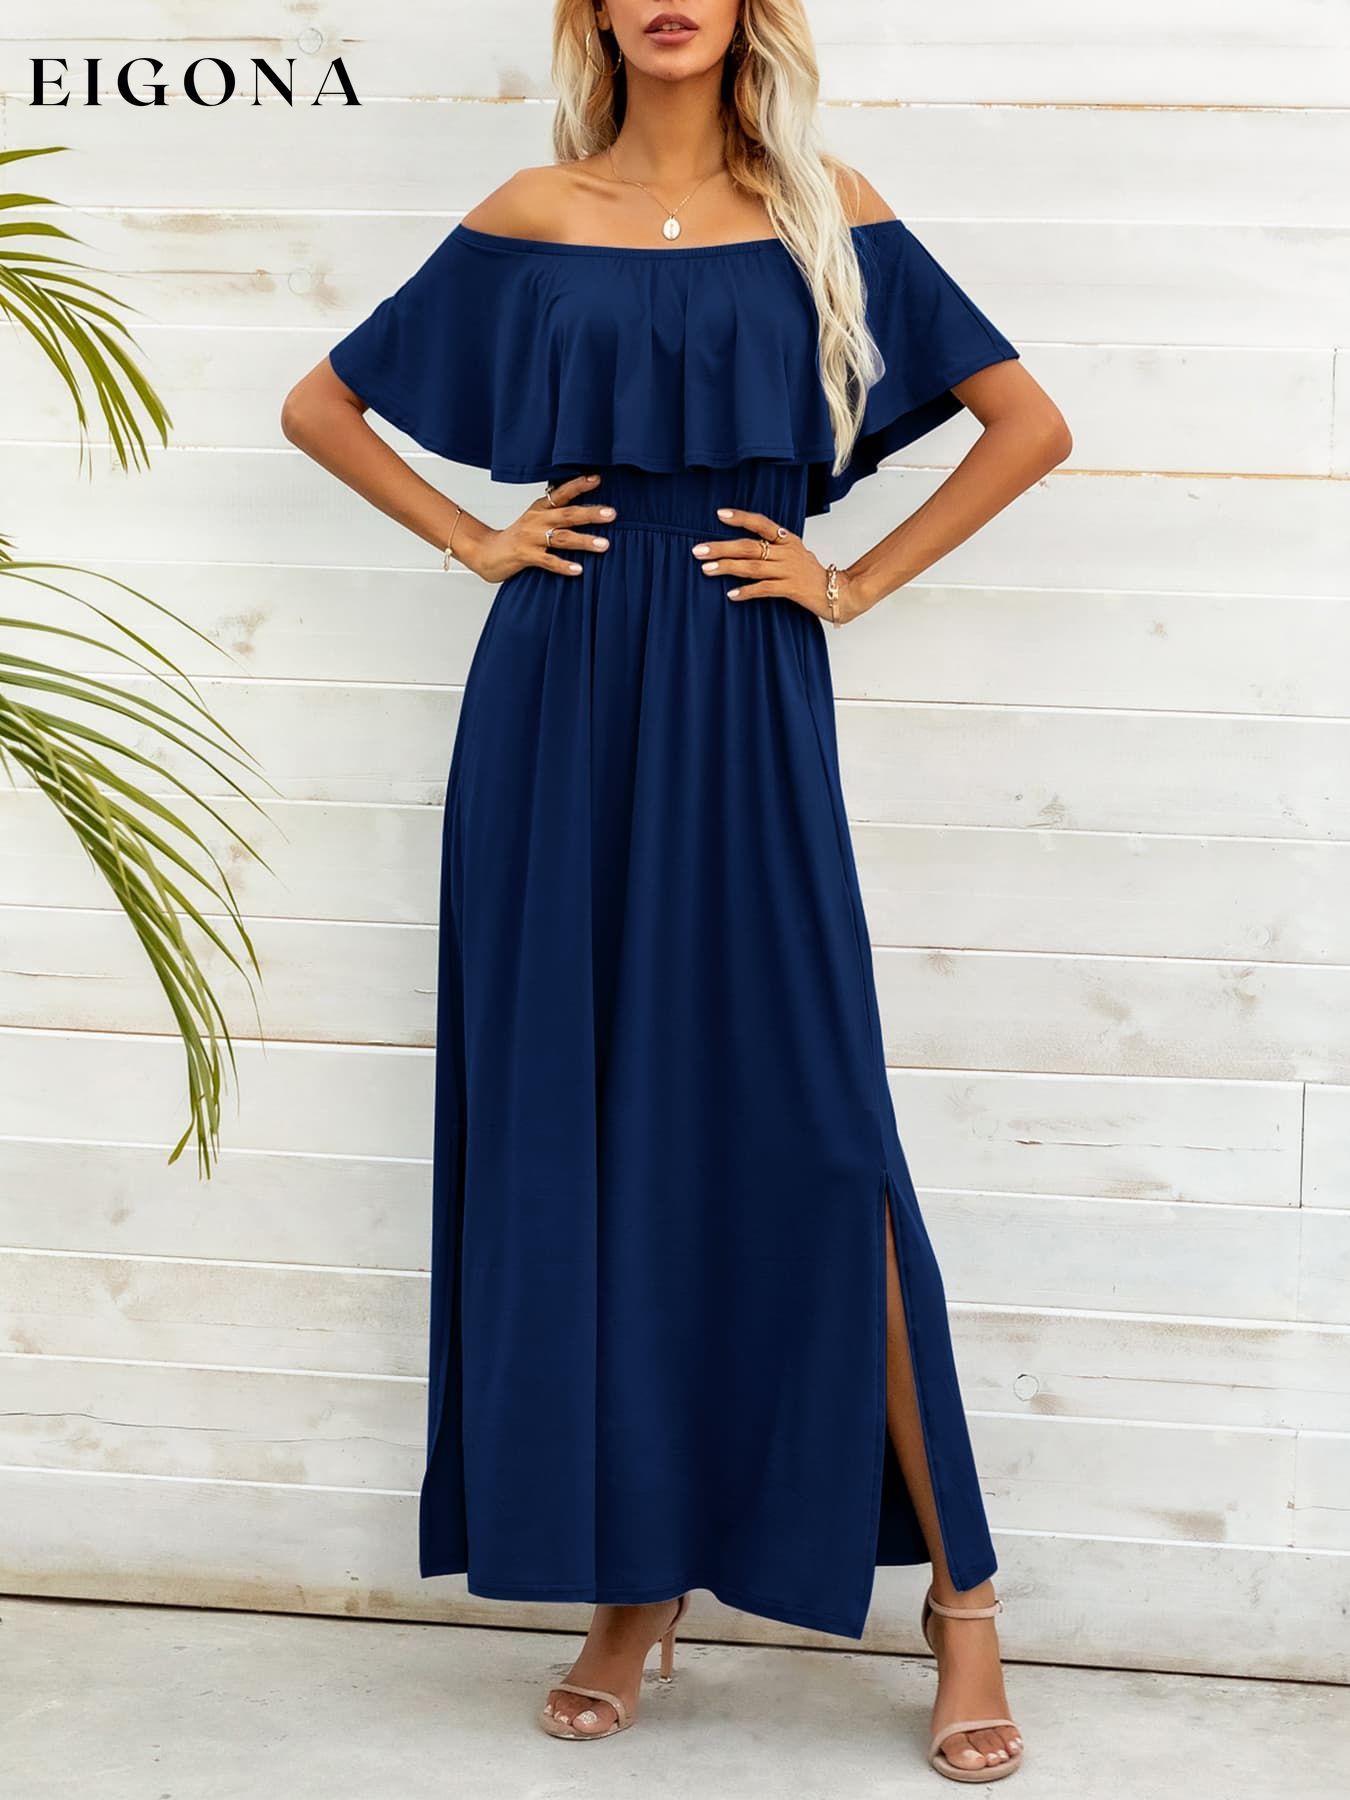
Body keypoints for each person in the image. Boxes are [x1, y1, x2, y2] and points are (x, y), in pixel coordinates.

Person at [281, 1, 1070, 1782]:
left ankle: (962, 1602)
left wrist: (849, 581)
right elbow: (319, 403)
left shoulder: (825, 209)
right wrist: (477, 538)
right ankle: (633, 1586)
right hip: (553, 695)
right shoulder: (531, 211)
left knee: (822, 1138)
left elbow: (1027, 425)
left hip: (741, 687)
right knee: (589, 1133)